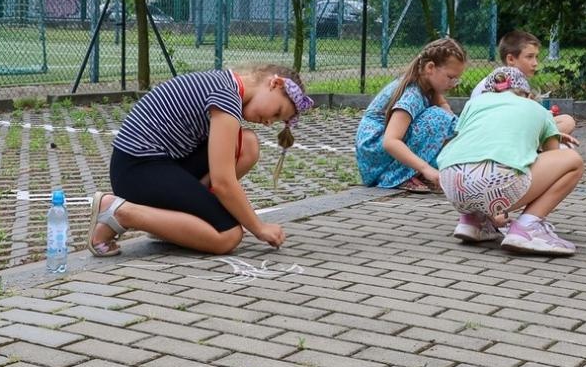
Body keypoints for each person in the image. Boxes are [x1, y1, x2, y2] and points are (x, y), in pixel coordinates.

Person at [85, 65, 313, 256]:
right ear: (275, 84)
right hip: (136, 171)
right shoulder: (227, 97)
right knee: (228, 236)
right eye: (276, 113)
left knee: (247, 144)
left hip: (153, 163)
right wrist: (259, 227)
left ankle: (175, 221)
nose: (269, 123)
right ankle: (119, 212)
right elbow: (223, 182)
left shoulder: (227, 85)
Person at [437, 66, 586, 254]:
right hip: (496, 189)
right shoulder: (536, 108)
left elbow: (471, 143)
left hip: (452, 185)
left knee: (478, 161)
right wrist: (550, 135)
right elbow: (552, 156)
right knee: (572, 160)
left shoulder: (474, 104)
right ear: (527, 94)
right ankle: (528, 227)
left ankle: (474, 220)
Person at [356, 37, 467, 192]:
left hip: (378, 156)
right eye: (450, 77)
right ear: (430, 68)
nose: (453, 84)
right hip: (375, 154)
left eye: (456, 79)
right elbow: (390, 141)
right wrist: (426, 169)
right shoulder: (411, 95)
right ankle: (399, 175)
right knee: (439, 119)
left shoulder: (428, 86)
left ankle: (415, 172)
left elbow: (446, 112)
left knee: (449, 121)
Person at [497, 29, 578, 138]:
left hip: (501, 128)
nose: (535, 63)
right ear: (511, 59)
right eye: (529, 57)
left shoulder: (499, 75)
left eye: (536, 57)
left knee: (566, 120)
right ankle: (538, 144)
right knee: (567, 122)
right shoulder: (514, 76)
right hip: (505, 132)